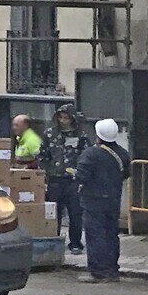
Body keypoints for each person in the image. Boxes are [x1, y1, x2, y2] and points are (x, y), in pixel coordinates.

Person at [75, 117, 130, 281]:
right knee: (111, 234)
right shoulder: (122, 153)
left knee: (95, 235)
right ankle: (112, 270)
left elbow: (81, 175)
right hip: (113, 199)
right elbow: (126, 173)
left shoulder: (91, 153)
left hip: (93, 201)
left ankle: (98, 272)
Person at [40, 103, 87, 257]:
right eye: (61, 117)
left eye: (66, 118)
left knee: (75, 213)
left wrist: (79, 172)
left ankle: (75, 243)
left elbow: (86, 155)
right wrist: (48, 170)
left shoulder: (80, 135)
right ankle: (55, 241)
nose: (63, 120)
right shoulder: (49, 134)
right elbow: (42, 154)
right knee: (55, 213)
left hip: (73, 180)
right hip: (55, 179)